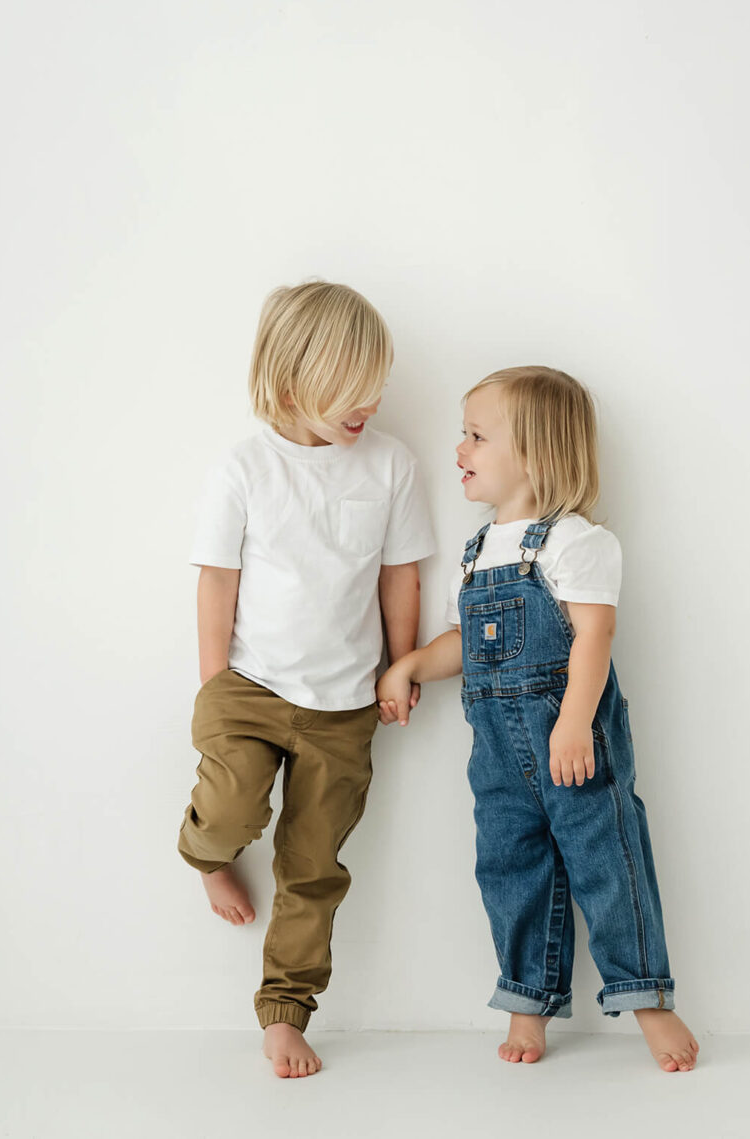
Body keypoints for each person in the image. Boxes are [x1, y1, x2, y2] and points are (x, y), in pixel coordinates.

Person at [377, 366, 700, 1072]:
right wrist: (408, 667)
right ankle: (528, 998)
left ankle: (647, 995)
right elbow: (464, 642)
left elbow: (594, 635)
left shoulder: (574, 541)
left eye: (476, 435)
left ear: (535, 455)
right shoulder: (477, 549)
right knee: (509, 869)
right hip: (497, 756)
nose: (458, 446)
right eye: (462, 432)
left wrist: (576, 722)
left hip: (570, 744)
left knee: (607, 861)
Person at [178, 281, 434, 1077]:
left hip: (345, 705)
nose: (372, 403)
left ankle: (286, 1010)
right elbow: (216, 580)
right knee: (229, 808)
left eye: (378, 384)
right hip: (249, 689)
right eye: (352, 391)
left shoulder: (391, 464)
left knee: (314, 864)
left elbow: (401, 575)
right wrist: (214, 683)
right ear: (292, 384)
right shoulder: (246, 467)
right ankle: (204, 851)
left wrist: (402, 662)